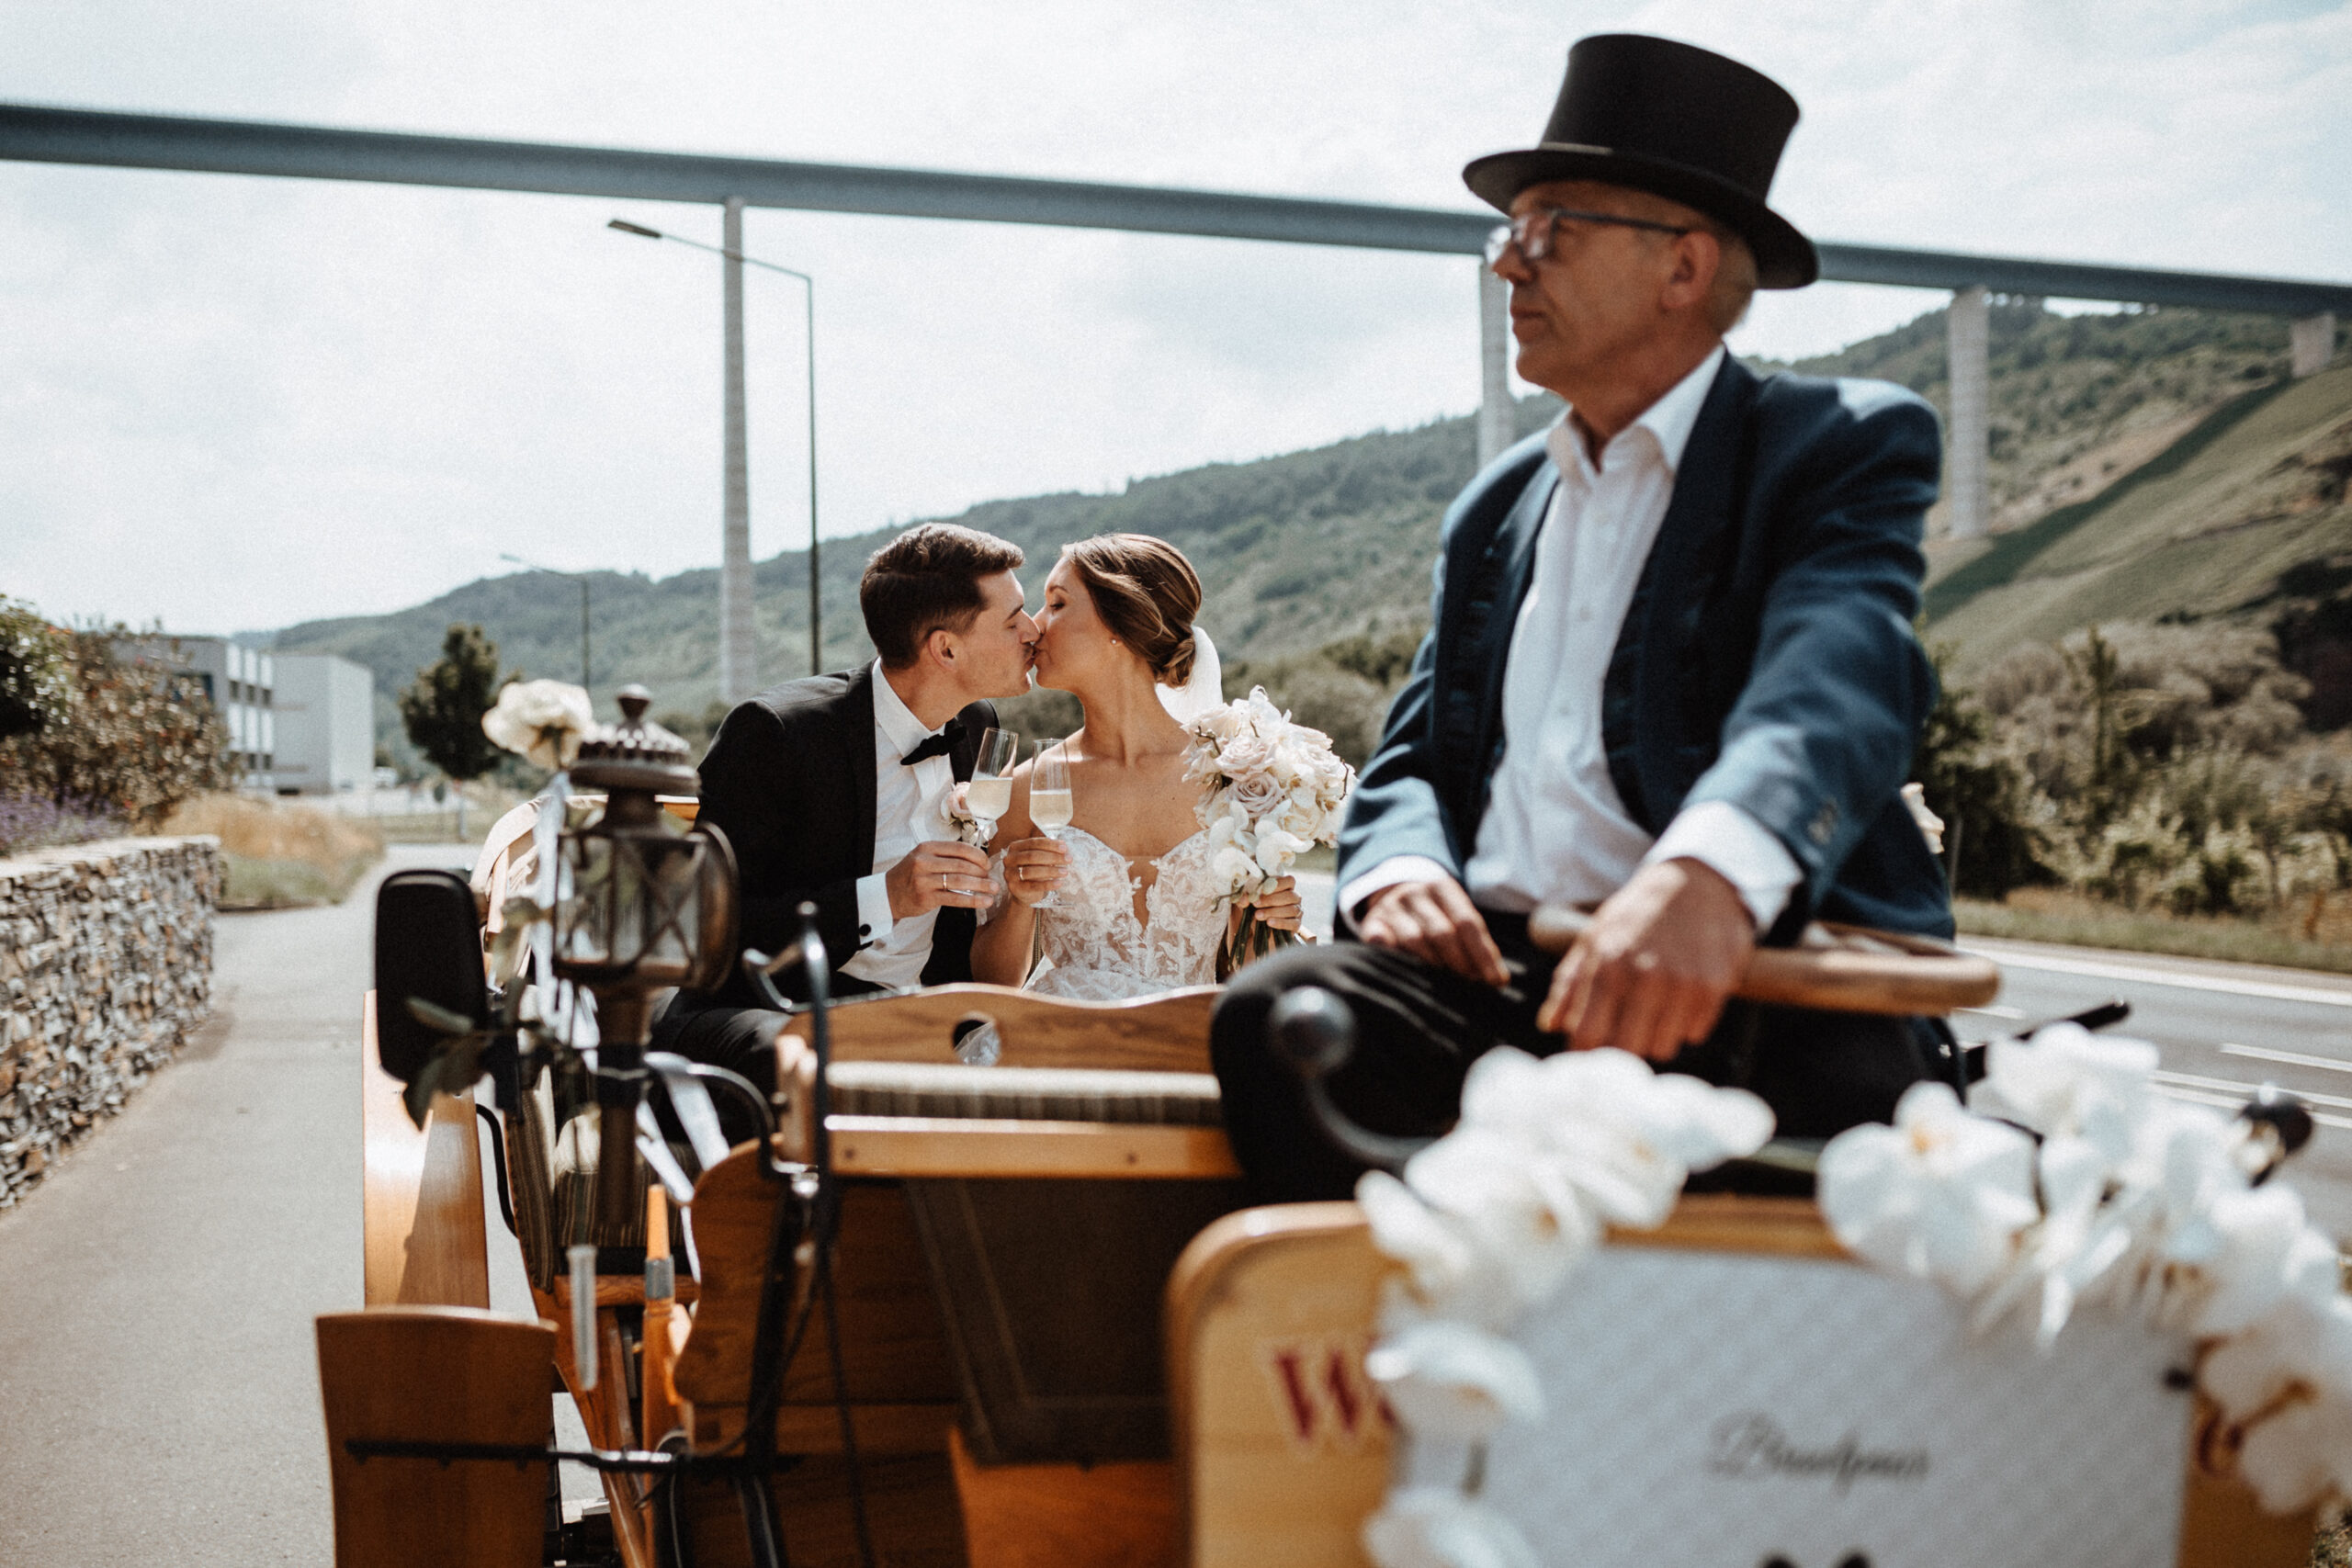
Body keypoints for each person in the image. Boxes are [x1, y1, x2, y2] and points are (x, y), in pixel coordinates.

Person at [1211, 34, 1955, 1202]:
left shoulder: (1833, 446)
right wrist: (1399, 867)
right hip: (1505, 985)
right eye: (1510, 233)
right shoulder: (1497, 505)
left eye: (1551, 228)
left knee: (1851, 1110)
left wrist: (1706, 874)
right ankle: (1408, 1369)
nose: (1510, 266)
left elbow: (1838, 674)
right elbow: (1411, 757)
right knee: (1280, 1016)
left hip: (1744, 985)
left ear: (1683, 267)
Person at [650, 523, 1038, 1092]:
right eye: (1013, 619)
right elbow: (706, 930)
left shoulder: (978, 727)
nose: (1032, 631)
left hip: (917, 1015)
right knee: (805, 1062)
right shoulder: (777, 733)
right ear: (946, 648)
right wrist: (887, 896)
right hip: (771, 1010)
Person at [970, 534, 1303, 999]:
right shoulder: (1030, 788)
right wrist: (1020, 903)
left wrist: (1270, 920)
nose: (1035, 625)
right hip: (1062, 1046)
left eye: (1058, 604)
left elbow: (1251, 975)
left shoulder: (1234, 780)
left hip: (1185, 1043)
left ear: (1119, 625)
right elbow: (991, 985)